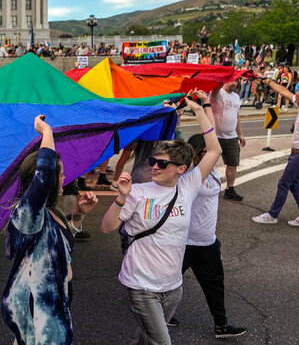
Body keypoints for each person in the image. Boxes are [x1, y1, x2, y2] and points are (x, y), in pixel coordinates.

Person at [100, 89, 222, 345]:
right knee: (162, 342)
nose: (155, 166)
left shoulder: (187, 186)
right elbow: (107, 227)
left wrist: (200, 110)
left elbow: (213, 151)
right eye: (154, 161)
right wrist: (121, 197)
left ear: (181, 169)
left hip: (173, 287)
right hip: (140, 285)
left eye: (163, 164)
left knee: (145, 339)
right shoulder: (137, 192)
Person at [0, 116, 98, 344]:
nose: (64, 178)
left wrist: (80, 214)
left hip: (56, 298)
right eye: (60, 173)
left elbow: (57, 245)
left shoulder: (50, 211)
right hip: (38, 307)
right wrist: (46, 132)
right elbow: (43, 175)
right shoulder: (26, 217)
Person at [173, 134, 247, 339]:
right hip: (185, 241)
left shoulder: (214, 173)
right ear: (200, 152)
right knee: (168, 281)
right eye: (209, 151)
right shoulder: (188, 175)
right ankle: (162, 315)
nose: (216, 154)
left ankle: (221, 326)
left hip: (207, 242)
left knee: (214, 285)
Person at [253, 81, 299, 227]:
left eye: (297, 99)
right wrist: (268, 81)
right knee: (294, 184)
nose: (294, 100)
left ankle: (272, 215)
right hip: (297, 153)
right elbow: (283, 91)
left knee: (284, 183)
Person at [211, 81, 245, 202]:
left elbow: (237, 117)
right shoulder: (218, 94)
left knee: (232, 164)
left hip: (232, 137)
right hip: (215, 136)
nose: (234, 83)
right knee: (209, 163)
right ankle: (207, 187)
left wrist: (240, 134)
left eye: (236, 81)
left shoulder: (236, 97)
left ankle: (229, 189)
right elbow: (214, 90)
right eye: (232, 80)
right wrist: (223, 78)